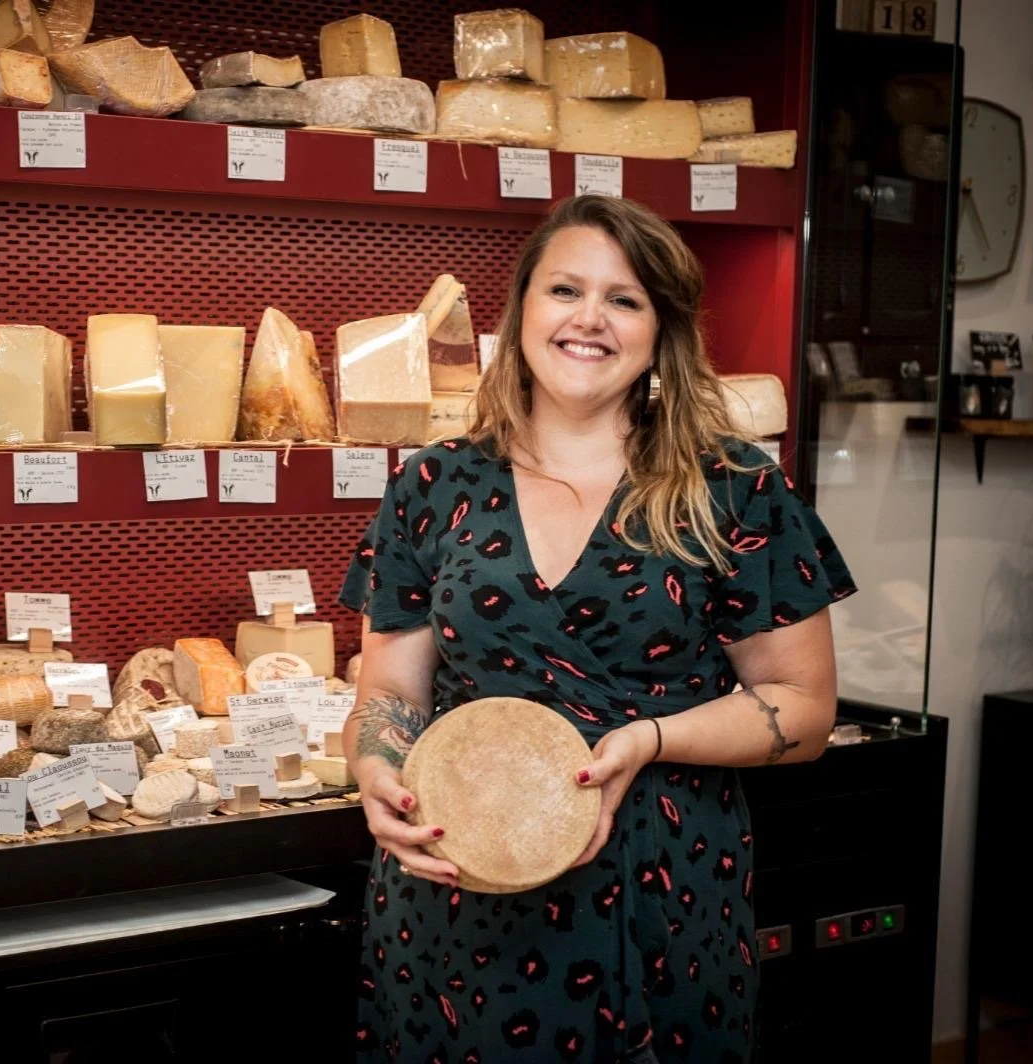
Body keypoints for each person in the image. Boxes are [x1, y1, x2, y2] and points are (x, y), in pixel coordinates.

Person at [338, 194, 856, 1063]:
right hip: (460, 881)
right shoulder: (434, 484)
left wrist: (648, 739)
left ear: (662, 332)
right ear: (522, 312)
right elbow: (391, 688)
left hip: (659, 886)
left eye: (624, 299)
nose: (589, 318)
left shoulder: (733, 488)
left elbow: (802, 710)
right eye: (564, 290)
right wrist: (376, 771)